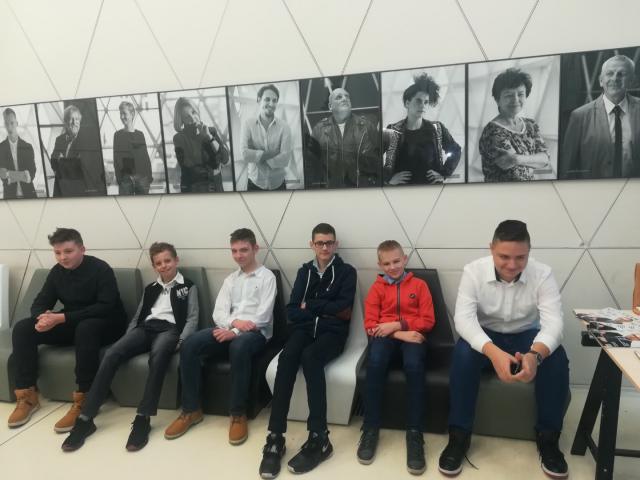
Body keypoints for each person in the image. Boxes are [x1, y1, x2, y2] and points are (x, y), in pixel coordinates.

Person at [438, 220, 570, 479]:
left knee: (557, 358)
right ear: (491, 249)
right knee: (462, 354)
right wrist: (493, 352)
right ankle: (459, 435)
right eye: (504, 257)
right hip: (487, 336)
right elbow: (463, 320)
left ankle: (548, 438)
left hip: (526, 337)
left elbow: (554, 323)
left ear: (529, 252)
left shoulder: (543, 274)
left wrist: (535, 355)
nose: (512, 265)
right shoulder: (473, 271)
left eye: (520, 257)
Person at [61, 242, 198, 452]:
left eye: (167, 261)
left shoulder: (188, 286)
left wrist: (181, 340)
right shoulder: (150, 288)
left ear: (176, 260)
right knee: (112, 353)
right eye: (158, 263)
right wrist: (127, 339)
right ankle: (86, 418)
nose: (163, 266)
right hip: (145, 328)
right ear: (154, 266)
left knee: (159, 356)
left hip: (169, 330)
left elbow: (192, 318)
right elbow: (138, 316)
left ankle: (143, 418)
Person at [259, 223, 357, 478]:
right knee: (287, 357)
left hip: (333, 334)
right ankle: (275, 436)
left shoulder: (347, 272)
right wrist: (324, 309)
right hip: (305, 329)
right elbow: (292, 310)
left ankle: (319, 438)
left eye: (329, 242)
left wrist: (310, 305)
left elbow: (344, 309)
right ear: (312, 244)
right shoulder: (305, 271)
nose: (324, 247)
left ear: (335, 244)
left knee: (310, 357)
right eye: (320, 243)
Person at [8, 228, 127, 433]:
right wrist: (42, 318)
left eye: (68, 251)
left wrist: (61, 318)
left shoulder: (101, 269)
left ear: (82, 249)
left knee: (86, 328)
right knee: (23, 328)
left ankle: (86, 398)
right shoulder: (57, 272)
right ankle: (27, 396)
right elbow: (40, 302)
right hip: (74, 321)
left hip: (107, 323)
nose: (62, 257)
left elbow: (105, 306)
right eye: (57, 252)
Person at [165, 228, 276, 445]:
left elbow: (262, 318)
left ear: (255, 248)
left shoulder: (267, 278)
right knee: (191, 344)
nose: (238, 255)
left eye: (243, 250)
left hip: (256, 335)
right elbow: (218, 314)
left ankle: (237, 413)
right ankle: (191, 410)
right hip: (228, 328)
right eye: (234, 251)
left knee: (239, 346)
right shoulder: (231, 279)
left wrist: (235, 332)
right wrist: (234, 324)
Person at [357, 240, 435, 475]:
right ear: (380, 264)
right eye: (387, 263)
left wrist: (397, 325)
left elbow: (428, 320)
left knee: (414, 364)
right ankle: (370, 428)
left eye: (396, 261)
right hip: (390, 336)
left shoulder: (419, 285)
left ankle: (414, 432)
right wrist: (399, 331)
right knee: (376, 361)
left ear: (405, 259)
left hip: (413, 336)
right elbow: (371, 325)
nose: (392, 267)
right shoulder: (377, 288)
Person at [562, 54, 640, 179]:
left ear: (632, 81)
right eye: (609, 73)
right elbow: (567, 170)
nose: (615, 78)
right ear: (600, 80)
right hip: (594, 189)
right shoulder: (579, 116)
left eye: (621, 74)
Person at [384, 73, 461, 185]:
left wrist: (444, 173)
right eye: (418, 101)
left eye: (426, 102)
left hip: (432, 190)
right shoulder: (392, 130)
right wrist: (388, 178)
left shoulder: (437, 129)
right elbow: (373, 156)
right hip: (401, 192)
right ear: (407, 103)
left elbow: (456, 150)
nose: (423, 105)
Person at [479, 68, 550, 182]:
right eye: (508, 95)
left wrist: (517, 159)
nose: (515, 100)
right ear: (497, 100)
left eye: (520, 94)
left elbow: (545, 160)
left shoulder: (531, 125)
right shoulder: (492, 131)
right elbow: (514, 173)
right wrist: (534, 159)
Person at [305, 87, 380, 188]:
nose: (344, 99)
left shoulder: (367, 126)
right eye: (339, 97)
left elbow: (378, 160)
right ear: (330, 106)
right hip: (331, 190)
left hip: (362, 189)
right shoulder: (319, 129)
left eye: (347, 96)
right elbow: (311, 164)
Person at [240, 84, 292, 190]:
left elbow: (285, 158)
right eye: (267, 99)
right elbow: (244, 154)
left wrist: (256, 156)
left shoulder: (284, 127)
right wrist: (275, 153)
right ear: (259, 100)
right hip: (255, 184)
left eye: (274, 100)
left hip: (278, 184)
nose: (271, 104)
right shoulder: (248, 124)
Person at [172, 97, 230, 192]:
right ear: (181, 120)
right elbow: (188, 168)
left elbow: (225, 158)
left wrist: (209, 137)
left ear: (197, 111)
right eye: (187, 117)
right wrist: (213, 172)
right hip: (194, 190)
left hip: (216, 187)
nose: (192, 118)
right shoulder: (179, 138)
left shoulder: (211, 131)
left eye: (193, 112)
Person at [51, 104, 106, 197]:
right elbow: (53, 162)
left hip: (78, 191)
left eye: (76, 119)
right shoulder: (59, 140)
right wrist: (72, 162)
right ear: (65, 122)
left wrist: (62, 161)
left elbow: (82, 168)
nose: (74, 122)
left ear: (80, 121)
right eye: (71, 119)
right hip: (61, 190)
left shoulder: (87, 141)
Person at [113, 101, 153, 195]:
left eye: (124, 113)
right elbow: (116, 159)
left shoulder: (140, 135)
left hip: (142, 179)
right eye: (120, 114)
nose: (122, 117)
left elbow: (145, 157)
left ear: (132, 114)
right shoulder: (117, 135)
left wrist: (149, 178)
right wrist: (120, 180)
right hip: (126, 180)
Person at [0, 108, 37, 199]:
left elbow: (31, 175)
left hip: (29, 196)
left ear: (17, 123)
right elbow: (3, 176)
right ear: (4, 125)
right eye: (6, 123)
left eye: (12, 123)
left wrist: (9, 174)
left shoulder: (28, 147)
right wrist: (23, 175)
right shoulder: (1, 148)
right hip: (10, 197)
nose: (9, 127)